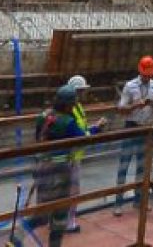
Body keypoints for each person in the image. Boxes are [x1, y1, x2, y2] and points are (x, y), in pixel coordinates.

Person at [34, 85, 87, 247]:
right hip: (60, 172)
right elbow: (82, 138)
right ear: (68, 104)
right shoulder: (68, 122)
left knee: (41, 213)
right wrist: (96, 128)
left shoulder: (43, 116)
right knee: (59, 216)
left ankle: (17, 237)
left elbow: (38, 137)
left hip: (42, 168)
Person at [115, 55, 153, 214]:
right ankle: (118, 202)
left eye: (150, 74)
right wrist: (136, 105)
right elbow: (121, 109)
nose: (148, 76)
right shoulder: (130, 86)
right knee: (124, 165)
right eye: (145, 73)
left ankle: (139, 199)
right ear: (140, 71)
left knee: (142, 168)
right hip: (131, 128)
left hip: (146, 130)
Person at [65, 75, 105, 233]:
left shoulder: (78, 107)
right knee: (72, 191)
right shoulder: (71, 110)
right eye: (82, 91)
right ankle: (69, 223)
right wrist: (96, 129)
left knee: (69, 190)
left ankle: (62, 219)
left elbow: (82, 129)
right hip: (71, 157)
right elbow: (80, 135)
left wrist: (93, 127)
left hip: (76, 156)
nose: (84, 94)